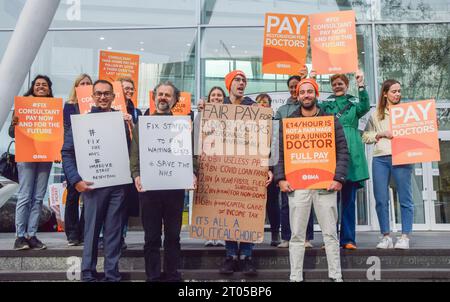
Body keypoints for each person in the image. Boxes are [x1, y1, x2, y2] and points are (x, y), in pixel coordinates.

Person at [274, 78, 349, 282]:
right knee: (297, 235)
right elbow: (279, 153)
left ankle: (336, 275)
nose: (306, 95)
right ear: (297, 96)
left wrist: (338, 178)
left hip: (326, 184)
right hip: (297, 186)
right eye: (302, 92)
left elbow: (342, 151)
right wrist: (280, 178)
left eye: (310, 91)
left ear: (316, 94)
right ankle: (295, 276)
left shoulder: (331, 121)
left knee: (331, 234)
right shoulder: (288, 123)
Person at [61, 80, 130, 282]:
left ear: (113, 97)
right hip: (92, 186)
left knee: (114, 232)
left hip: (117, 186)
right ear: (92, 97)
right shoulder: (82, 122)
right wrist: (76, 180)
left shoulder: (121, 121)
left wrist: (131, 128)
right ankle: (88, 273)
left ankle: (111, 273)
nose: (102, 97)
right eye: (98, 93)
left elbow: (130, 151)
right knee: (90, 231)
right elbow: (66, 152)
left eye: (106, 94)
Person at [130, 81, 197, 282]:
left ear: (175, 100)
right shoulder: (142, 124)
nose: (163, 98)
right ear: (154, 97)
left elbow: (189, 154)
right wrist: (136, 175)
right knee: (151, 237)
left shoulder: (182, 125)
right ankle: (152, 276)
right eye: (160, 94)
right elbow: (135, 153)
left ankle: (172, 275)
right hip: (149, 189)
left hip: (174, 189)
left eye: (168, 95)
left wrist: (192, 173)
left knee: (173, 236)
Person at [219, 70, 272, 276]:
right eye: (237, 80)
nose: (241, 83)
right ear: (229, 84)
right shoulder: (218, 108)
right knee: (228, 211)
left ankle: (247, 256)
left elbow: (265, 139)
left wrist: (267, 166)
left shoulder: (254, 108)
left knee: (248, 211)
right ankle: (231, 255)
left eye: (243, 80)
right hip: (225, 169)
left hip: (249, 168)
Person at [320, 71, 370, 250]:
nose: (337, 86)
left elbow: (365, 105)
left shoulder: (354, 104)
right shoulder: (326, 105)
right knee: (329, 203)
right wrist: (308, 78)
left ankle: (348, 239)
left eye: (340, 83)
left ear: (347, 85)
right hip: (331, 156)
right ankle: (331, 240)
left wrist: (361, 85)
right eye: (334, 84)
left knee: (348, 202)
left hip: (352, 157)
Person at [362, 79, 413, 249]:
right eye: (394, 91)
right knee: (381, 199)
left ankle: (405, 236)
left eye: (399, 91)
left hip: (402, 157)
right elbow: (365, 136)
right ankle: (385, 236)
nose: (397, 94)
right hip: (380, 159)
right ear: (385, 93)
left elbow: (419, 131)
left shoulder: (408, 112)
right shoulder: (376, 114)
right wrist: (380, 134)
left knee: (405, 198)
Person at [9, 75, 55, 250]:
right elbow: (12, 133)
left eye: (44, 85)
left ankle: (32, 235)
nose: (41, 87)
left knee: (37, 198)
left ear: (49, 89)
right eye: (37, 84)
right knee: (24, 195)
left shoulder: (54, 109)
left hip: (45, 156)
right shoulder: (23, 105)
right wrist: (15, 124)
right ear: (33, 87)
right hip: (27, 156)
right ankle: (19, 237)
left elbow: (56, 134)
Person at [275, 73, 315, 249]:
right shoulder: (282, 110)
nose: (293, 89)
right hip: (290, 161)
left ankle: (307, 238)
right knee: (286, 202)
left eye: (296, 86)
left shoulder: (312, 107)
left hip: (308, 158)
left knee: (308, 201)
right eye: (291, 86)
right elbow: (277, 135)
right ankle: (286, 237)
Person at [63, 73, 93, 246]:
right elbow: (70, 127)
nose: (85, 85)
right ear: (76, 86)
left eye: (88, 83)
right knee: (73, 193)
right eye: (82, 83)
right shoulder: (69, 106)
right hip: (74, 154)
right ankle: (72, 233)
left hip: (90, 152)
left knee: (89, 193)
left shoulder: (96, 106)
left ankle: (83, 230)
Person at [200, 86, 226, 248]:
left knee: (222, 202)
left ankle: (221, 235)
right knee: (208, 202)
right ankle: (210, 235)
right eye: (213, 95)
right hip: (207, 164)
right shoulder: (202, 116)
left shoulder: (231, 116)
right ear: (209, 99)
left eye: (219, 96)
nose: (216, 98)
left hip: (225, 165)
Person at [255, 93, 281, 247]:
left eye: (265, 102)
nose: (262, 105)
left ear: (270, 106)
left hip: (270, 169)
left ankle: (275, 233)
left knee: (272, 203)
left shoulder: (274, 124)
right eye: (259, 102)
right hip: (252, 169)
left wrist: (270, 168)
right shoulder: (249, 123)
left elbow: (276, 148)